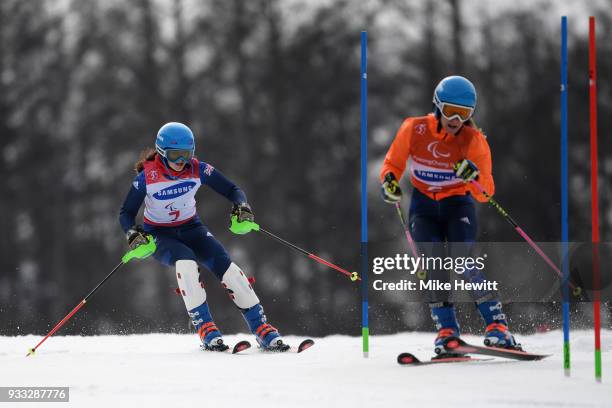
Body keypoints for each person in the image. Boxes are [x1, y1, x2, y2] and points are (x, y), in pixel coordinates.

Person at [379, 76, 521, 355]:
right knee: (433, 264)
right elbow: (392, 163)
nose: (456, 119)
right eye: (450, 111)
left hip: (458, 205)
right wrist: (390, 182)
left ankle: (498, 326)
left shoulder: (474, 140)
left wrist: (474, 178)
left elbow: (485, 193)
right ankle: (447, 332)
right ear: (437, 106)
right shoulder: (414, 128)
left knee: (462, 260)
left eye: (464, 114)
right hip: (423, 207)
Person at [119, 122, 289, 352]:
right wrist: (133, 234)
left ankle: (261, 328)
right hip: (159, 234)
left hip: (192, 228)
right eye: (175, 155)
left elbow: (232, 190)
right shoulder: (146, 178)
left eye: (187, 154)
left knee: (225, 265)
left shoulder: (198, 169)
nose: (181, 161)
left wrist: (242, 206)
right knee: (186, 261)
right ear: (161, 152)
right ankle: (205, 327)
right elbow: (126, 213)